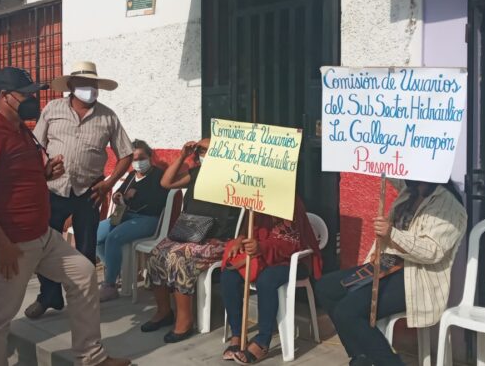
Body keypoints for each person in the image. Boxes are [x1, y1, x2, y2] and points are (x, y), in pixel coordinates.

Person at [0, 67, 129, 366]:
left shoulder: (21, 129)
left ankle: (91, 357)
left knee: (83, 272)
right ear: (3, 96)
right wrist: (2, 245)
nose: (32, 100)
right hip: (10, 242)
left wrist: (45, 174)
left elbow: (19, 178)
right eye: (25, 95)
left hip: (42, 235)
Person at [315, 179, 467, 366]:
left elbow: (432, 251)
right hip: (388, 264)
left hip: (417, 277)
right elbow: (393, 174)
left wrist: (392, 233)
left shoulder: (448, 203)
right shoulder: (410, 191)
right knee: (326, 287)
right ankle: (361, 356)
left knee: (347, 311)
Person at [26, 61, 134, 319]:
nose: (90, 89)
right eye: (85, 84)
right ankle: (49, 296)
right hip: (54, 189)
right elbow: (35, 146)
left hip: (90, 192)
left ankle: (83, 300)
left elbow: (126, 154)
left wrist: (109, 183)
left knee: (85, 251)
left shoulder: (107, 116)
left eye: (94, 84)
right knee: (44, 246)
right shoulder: (52, 109)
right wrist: (43, 169)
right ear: (71, 86)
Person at [141, 138, 240, 343]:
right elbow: (166, 183)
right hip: (189, 232)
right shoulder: (196, 173)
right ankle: (164, 311)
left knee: (179, 258)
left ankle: (184, 320)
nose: (204, 154)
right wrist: (182, 156)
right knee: (157, 254)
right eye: (200, 150)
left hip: (216, 239)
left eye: (208, 150)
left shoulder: (233, 176)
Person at [220, 196, 323, 365]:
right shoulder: (257, 198)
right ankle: (238, 334)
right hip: (261, 258)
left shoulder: (291, 202)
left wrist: (261, 247)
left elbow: (292, 244)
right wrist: (240, 240)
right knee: (228, 275)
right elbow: (248, 230)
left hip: (292, 260)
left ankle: (262, 341)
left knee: (266, 280)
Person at [96, 139, 169, 302]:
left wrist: (134, 197)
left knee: (113, 238)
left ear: (150, 157)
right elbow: (121, 193)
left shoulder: (158, 175)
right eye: (134, 159)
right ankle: (118, 271)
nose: (138, 163)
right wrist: (118, 197)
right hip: (125, 216)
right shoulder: (131, 176)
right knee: (95, 235)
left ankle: (110, 285)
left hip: (148, 219)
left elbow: (158, 203)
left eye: (141, 158)